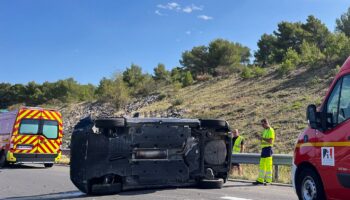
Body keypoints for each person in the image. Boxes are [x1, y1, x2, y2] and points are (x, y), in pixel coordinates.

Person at [253, 118, 275, 185]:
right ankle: (260, 180)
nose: (262, 126)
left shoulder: (270, 130)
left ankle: (268, 181)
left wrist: (262, 138)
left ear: (266, 123)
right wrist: (259, 137)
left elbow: (270, 141)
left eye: (263, 124)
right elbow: (263, 140)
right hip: (264, 149)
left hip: (268, 149)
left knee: (268, 166)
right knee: (262, 166)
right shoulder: (265, 130)